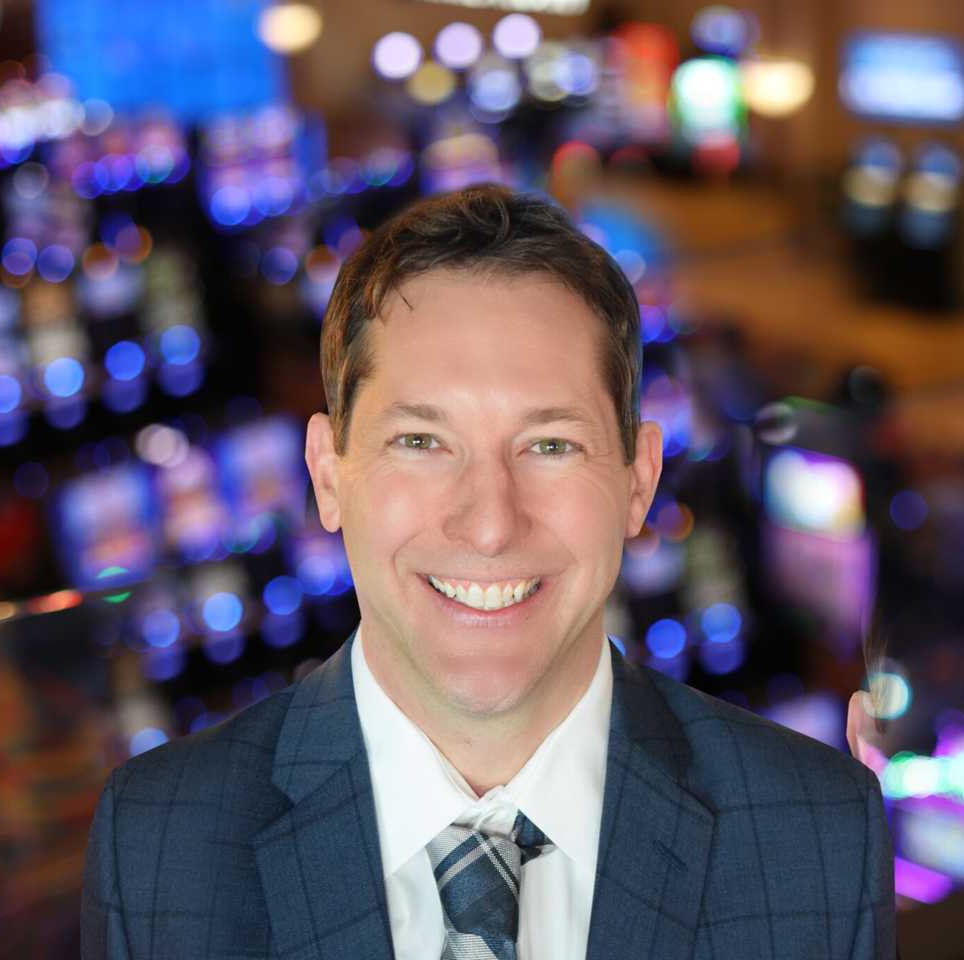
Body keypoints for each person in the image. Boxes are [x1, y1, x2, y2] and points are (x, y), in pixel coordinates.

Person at [81, 185, 896, 959]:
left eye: (550, 445)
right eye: (422, 442)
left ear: (639, 481)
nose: (490, 521)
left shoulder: (819, 833)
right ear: (329, 477)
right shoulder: (159, 843)